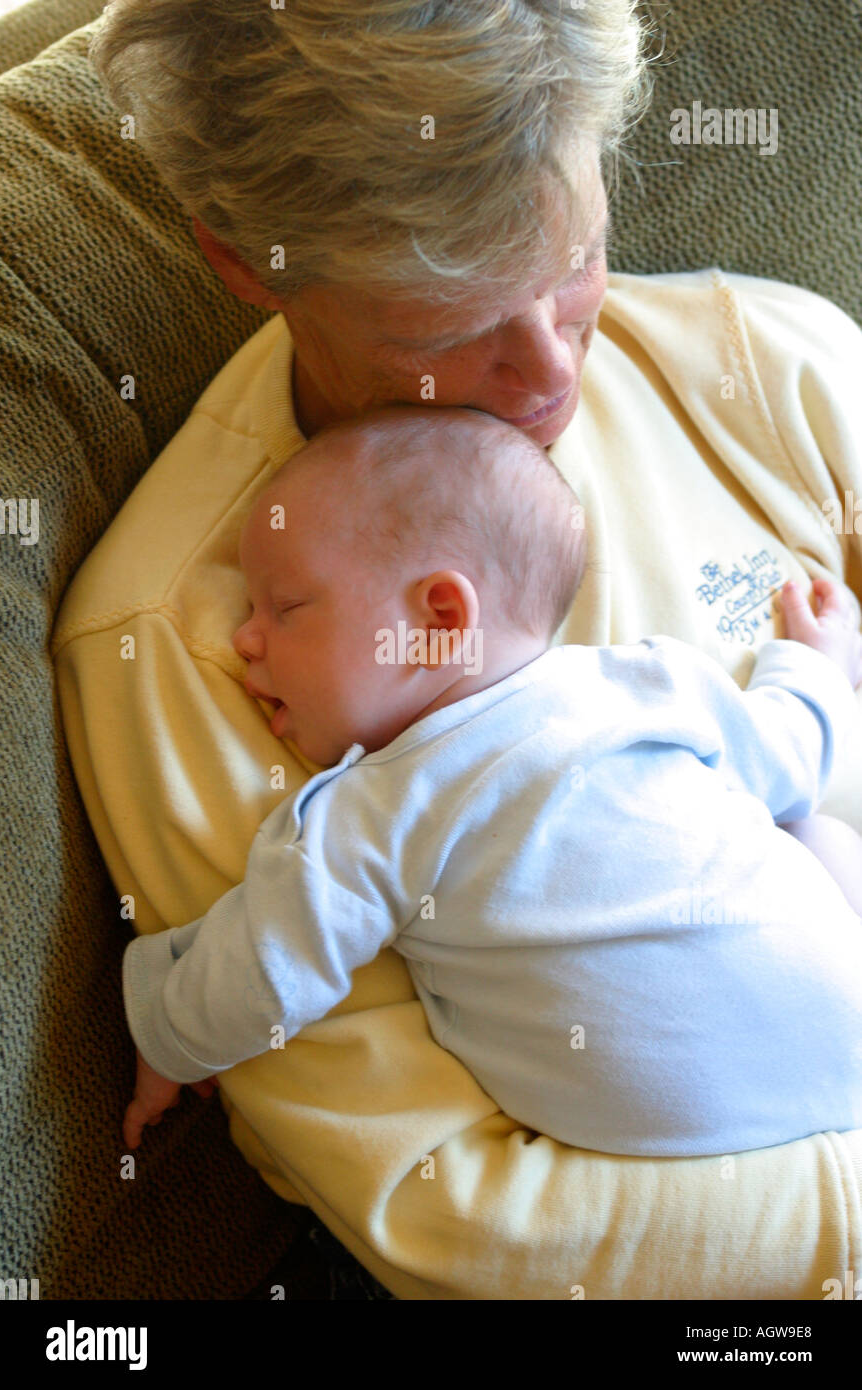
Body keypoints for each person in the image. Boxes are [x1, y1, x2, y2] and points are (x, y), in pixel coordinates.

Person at [51, 0, 862, 1297]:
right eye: (444, 329)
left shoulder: (771, 367)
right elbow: (477, 1222)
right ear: (244, 258)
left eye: (573, 260)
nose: (549, 370)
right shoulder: (200, 651)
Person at [120, 402, 862, 1162]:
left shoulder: (373, 810)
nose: (244, 639)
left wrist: (165, 1039)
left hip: (670, 1144)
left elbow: (264, 961)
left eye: (285, 608)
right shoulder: (642, 682)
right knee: (816, 833)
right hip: (836, 1028)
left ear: (439, 618)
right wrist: (817, 666)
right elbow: (790, 757)